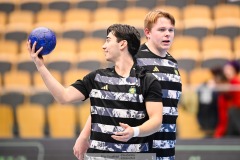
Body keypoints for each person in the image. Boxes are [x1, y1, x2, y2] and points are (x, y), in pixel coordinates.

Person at [27, 24, 163, 159]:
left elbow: (156, 121)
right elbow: (64, 97)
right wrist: (40, 65)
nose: (103, 46)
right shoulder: (96, 77)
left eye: (108, 40)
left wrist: (134, 131)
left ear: (122, 44)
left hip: (134, 156)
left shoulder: (147, 80)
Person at [74, 10, 182, 160]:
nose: (167, 34)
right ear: (148, 33)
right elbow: (105, 102)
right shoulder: (134, 59)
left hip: (166, 145)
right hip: (138, 146)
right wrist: (84, 136)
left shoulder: (172, 63)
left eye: (171, 30)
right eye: (162, 30)